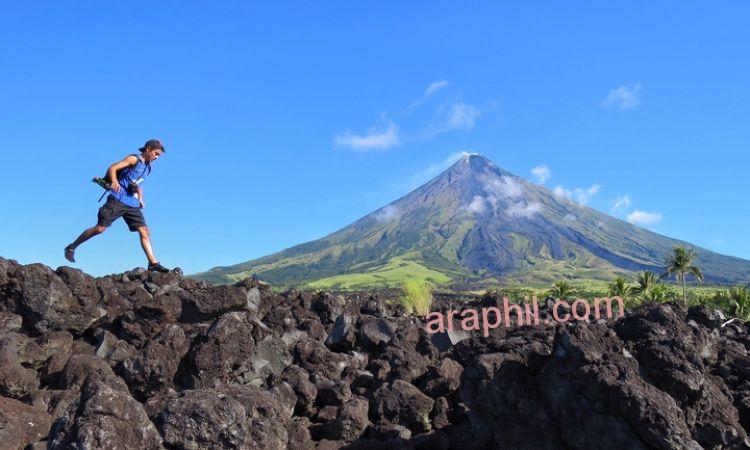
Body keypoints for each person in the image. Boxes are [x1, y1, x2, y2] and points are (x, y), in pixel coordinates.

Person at [64, 139, 170, 272]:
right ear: (148, 149)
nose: (157, 157)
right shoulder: (133, 159)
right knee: (100, 229)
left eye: (159, 155)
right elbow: (112, 168)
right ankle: (72, 247)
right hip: (117, 199)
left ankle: (153, 263)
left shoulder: (148, 168)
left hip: (132, 203)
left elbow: (138, 184)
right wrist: (114, 182)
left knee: (144, 231)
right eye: (156, 153)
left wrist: (140, 198)